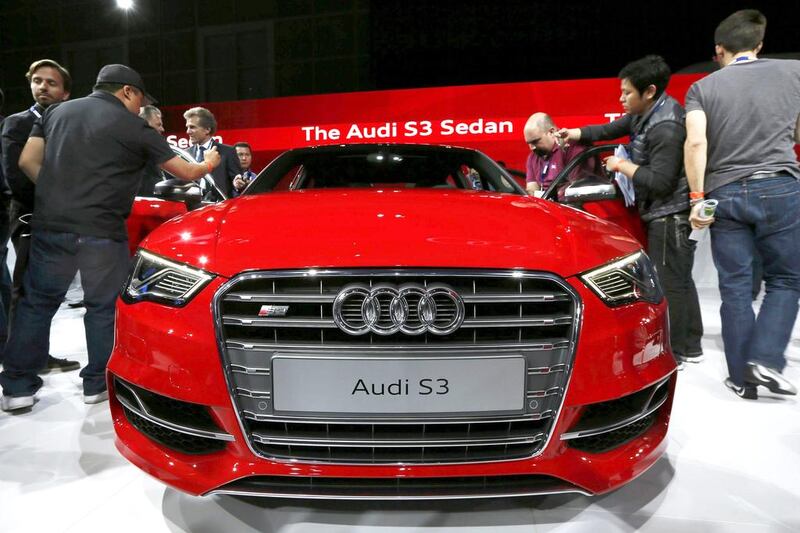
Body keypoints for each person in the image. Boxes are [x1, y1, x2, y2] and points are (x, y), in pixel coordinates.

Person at [0, 64, 222, 412]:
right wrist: (208, 162)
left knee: (36, 304)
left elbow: (28, 160)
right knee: (101, 308)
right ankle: (95, 384)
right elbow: (186, 172)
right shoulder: (134, 125)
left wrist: (60, 192)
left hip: (52, 224)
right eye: (139, 100)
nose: (139, 107)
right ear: (128, 92)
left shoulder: (56, 112)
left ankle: (17, 388)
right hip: (102, 230)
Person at [684, 9, 800, 399]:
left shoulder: (702, 88)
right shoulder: (793, 73)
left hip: (724, 192)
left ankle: (741, 378)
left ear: (719, 49)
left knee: (734, 289)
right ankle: (765, 359)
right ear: (760, 44)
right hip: (781, 188)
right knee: (785, 280)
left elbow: (696, 143)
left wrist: (697, 198)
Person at [560, 55, 703, 365]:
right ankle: (691, 344)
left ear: (649, 91)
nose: (621, 98)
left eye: (627, 93)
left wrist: (621, 165)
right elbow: (610, 129)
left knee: (671, 283)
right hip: (664, 211)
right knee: (680, 278)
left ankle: (677, 351)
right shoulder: (644, 114)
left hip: (670, 213)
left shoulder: (665, 126)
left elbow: (661, 182)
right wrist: (576, 134)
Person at [0, 59, 79, 372]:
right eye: (38, 81)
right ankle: (20, 361)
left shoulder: (68, 125)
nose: (43, 87)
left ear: (65, 93)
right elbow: (15, 178)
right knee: (27, 290)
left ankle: (38, 353)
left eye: (51, 82)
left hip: (64, 219)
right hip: (31, 217)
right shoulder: (16, 124)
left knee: (48, 291)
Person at [522, 113, 593, 195]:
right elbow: (531, 189)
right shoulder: (532, 157)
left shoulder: (573, 148)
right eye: (529, 143)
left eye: (535, 141)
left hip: (570, 205)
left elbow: (578, 189)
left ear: (551, 132)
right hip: (545, 205)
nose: (532, 147)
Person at [184, 107, 239, 197]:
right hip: (191, 208)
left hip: (220, 207)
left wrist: (238, 184)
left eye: (192, 127)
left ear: (207, 130)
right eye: (187, 127)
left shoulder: (228, 152)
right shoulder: (185, 154)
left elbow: (236, 182)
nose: (188, 131)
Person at [137, 105, 166, 196]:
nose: (162, 129)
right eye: (158, 124)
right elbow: (187, 172)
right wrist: (208, 164)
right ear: (144, 124)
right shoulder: (138, 154)